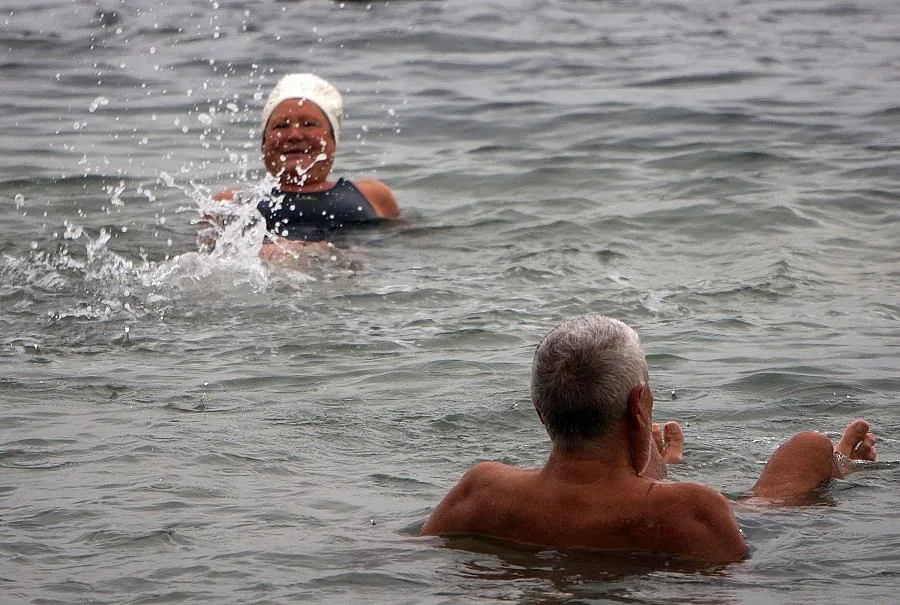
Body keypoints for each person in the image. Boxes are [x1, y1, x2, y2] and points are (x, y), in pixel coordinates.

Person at [420, 315, 877, 564]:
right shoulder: (692, 510)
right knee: (807, 447)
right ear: (640, 406)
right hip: (694, 525)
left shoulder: (482, 492)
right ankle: (843, 461)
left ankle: (656, 466)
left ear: (541, 413)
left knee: (655, 485)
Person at [205, 73, 399, 265]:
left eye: (308, 124)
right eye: (281, 126)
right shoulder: (229, 205)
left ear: (333, 139)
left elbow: (402, 246)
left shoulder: (374, 196)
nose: (294, 135)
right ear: (264, 143)